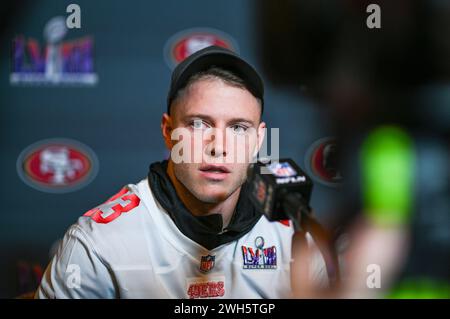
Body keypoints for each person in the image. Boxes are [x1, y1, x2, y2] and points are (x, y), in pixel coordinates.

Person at [35, 46, 325, 299]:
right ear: (168, 131)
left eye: (238, 128)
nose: (218, 147)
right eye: (199, 124)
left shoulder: (296, 237)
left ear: (259, 141)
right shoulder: (99, 245)